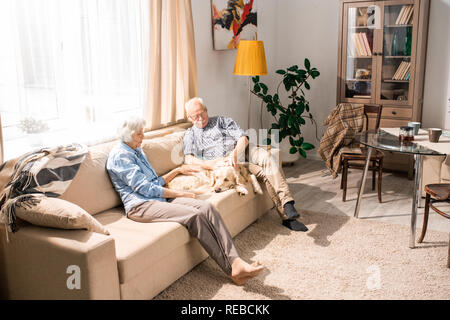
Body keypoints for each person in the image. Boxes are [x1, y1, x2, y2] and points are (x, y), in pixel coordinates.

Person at [106, 116, 263, 285]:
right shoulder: (120, 156)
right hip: (140, 206)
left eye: (142, 133)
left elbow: (154, 183)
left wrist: (179, 170)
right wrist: (180, 194)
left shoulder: (137, 151)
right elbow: (144, 189)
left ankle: (236, 261)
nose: (143, 137)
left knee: (207, 208)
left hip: (158, 198)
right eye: (139, 134)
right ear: (127, 135)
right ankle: (232, 270)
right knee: (193, 216)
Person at [183, 97, 308, 232]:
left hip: (242, 151)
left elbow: (243, 138)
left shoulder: (221, 121)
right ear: (189, 118)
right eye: (195, 117)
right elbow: (189, 159)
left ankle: (288, 202)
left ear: (206, 110)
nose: (200, 118)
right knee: (266, 173)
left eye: (202, 113)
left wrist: (234, 155)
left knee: (267, 157)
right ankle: (287, 216)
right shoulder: (190, 135)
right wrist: (211, 164)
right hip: (231, 166)